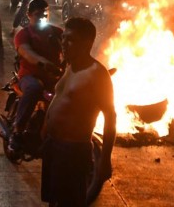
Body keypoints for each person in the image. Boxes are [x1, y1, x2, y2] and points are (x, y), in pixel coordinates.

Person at [41, 17, 116, 207]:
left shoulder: (97, 73)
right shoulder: (70, 66)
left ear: (87, 43)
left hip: (73, 151)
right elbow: (60, 99)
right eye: (63, 38)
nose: (64, 44)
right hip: (54, 146)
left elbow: (110, 117)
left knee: (71, 203)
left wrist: (105, 160)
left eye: (71, 40)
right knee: (54, 201)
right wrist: (45, 127)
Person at [9, 0, 64, 153]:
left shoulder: (57, 32)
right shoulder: (24, 34)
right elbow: (27, 52)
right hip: (30, 76)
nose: (41, 17)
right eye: (37, 14)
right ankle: (17, 132)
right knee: (34, 88)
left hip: (55, 77)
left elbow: (70, 49)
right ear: (29, 15)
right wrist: (44, 63)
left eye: (44, 14)